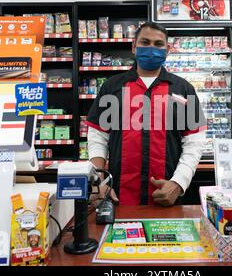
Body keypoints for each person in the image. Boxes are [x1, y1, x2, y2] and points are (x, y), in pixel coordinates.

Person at [86, 22, 206, 207]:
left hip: (167, 199)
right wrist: (99, 181)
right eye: (145, 42)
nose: (152, 48)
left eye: (158, 44)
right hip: (118, 198)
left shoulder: (183, 89)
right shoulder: (112, 87)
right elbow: (98, 137)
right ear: (134, 47)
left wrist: (178, 183)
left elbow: (194, 142)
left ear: (167, 50)